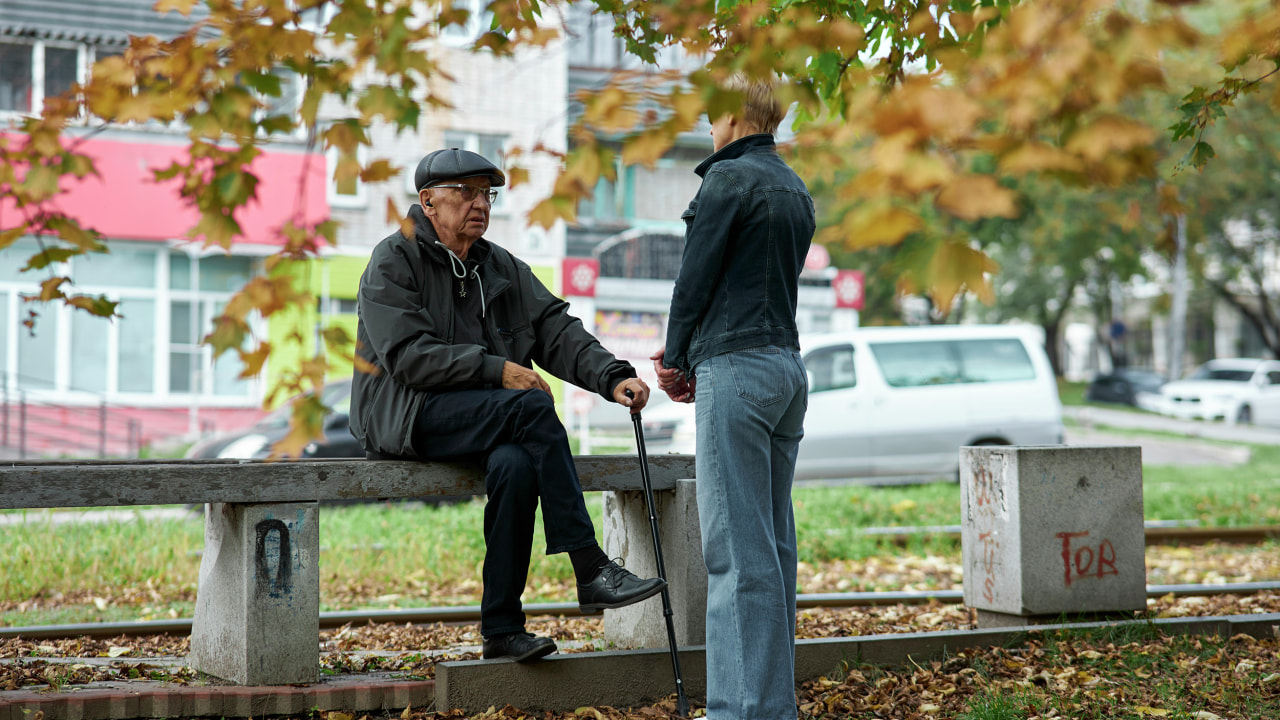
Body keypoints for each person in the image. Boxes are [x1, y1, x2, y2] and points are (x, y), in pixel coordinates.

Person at [350, 147, 666, 663]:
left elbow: (556, 330)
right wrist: (496, 369)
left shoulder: (498, 266)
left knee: (517, 465)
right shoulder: (394, 258)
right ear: (428, 201)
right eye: (466, 192)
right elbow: (408, 357)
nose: (480, 204)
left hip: (480, 418)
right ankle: (588, 565)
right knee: (532, 407)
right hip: (408, 414)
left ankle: (501, 628)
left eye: (487, 193)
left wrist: (613, 377)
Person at [652, 75, 816, 719]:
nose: (707, 125)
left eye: (710, 115)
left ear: (732, 115)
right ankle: (773, 707)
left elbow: (695, 278)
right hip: (787, 369)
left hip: (738, 370)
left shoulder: (725, 180)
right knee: (773, 551)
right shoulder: (794, 185)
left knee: (735, 554)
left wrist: (675, 355)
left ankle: (740, 713)